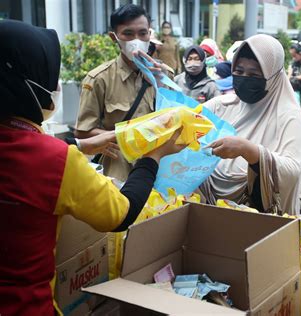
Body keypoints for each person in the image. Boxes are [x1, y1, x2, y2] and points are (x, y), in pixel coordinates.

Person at [0, 20, 186, 315]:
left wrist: (84, 146)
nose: (56, 85)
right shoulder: (54, 160)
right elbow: (120, 214)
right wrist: (154, 156)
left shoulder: (155, 76)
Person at [201, 34, 301, 215]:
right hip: (210, 214)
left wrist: (249, 151)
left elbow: (291, 171)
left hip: (260, 224)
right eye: (239, 72)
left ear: (272, 77)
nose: (244, 78)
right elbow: (186, 118)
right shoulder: (221, 107)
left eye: (254, 74)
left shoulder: (288, 116)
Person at [75, 4, 156, 182]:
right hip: (119, 172)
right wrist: (125, 136)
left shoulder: (163, 76)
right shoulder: (98, 79)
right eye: (128, 33)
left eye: (143, 33)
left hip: (158, 169)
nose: (137, 40)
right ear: (114, 37)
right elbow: (82, 133)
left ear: (150, 34)